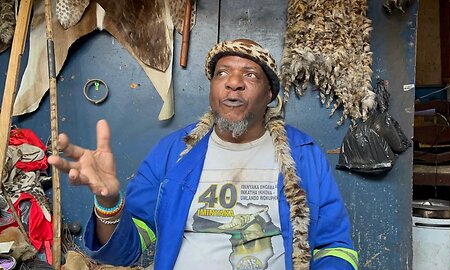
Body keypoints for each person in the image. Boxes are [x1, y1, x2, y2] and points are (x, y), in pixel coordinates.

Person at [48, 39, 358, 270]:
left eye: (250, 75)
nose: (233, 83)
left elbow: (335, 247)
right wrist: (107, 202)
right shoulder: (174, 152)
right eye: (223, 73)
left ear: (269, 95)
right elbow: (125, 251)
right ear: (211, 89)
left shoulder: (303, 155)